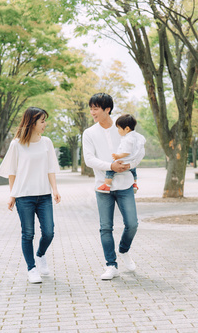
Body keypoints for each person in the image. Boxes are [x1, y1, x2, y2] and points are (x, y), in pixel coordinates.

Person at [83, 93, 145, 280]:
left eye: (95, 108)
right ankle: (111, 265)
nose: (92, 112)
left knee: (132, 224)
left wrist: (130, 166)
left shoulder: (123, 129)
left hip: (125, 183)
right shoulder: (89, 133)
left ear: (107, 109)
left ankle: (124, 250)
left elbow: (138, 151)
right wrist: (110, 166)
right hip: (103, 186)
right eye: (91, 108)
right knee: (105, 227)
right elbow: (89, 159)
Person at [0, 106, 61, 284]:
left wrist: (55, 189)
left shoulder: (46, 142)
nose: (45, 124)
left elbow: (50, 168)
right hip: (24, 197)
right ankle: (31, 268)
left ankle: (40, 255)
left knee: (49, 232)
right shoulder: (16, 144)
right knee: (28, 234)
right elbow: (12, 172)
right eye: (42, 121)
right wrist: (12, 195)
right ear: (32, 123)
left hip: (44, 195)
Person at [96, 114, 146, 194]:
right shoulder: (137, 136)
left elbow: (127, 151)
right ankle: (135, 184)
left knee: (110, 169)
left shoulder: (127, 139)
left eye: (119, 128)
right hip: (132, 162)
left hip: (124, 160)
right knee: (133, 171)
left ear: (126, 129)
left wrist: (118, 156)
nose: (118, 130)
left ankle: (107, 185)